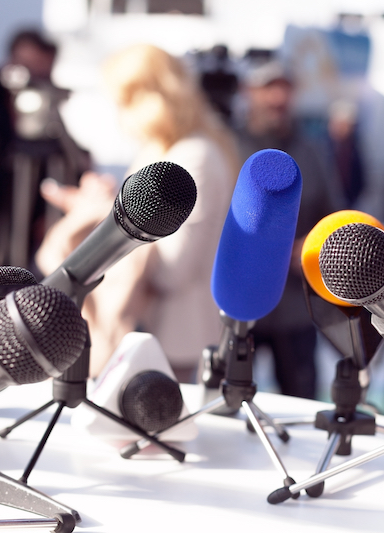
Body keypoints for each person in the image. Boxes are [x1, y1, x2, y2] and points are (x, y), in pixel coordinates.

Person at [35, 44, 239, 380]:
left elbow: (172, 270)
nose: (120, 116)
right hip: (155, 338)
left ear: (149, 99)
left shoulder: (193, 156)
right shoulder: (170, 149)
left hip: (175, 343)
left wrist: (103, 213)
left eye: (124, 103)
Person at [234, 56, 344, 399]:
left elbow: (334, 219)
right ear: (248, 91)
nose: (278, 98)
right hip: (240, 305)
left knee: (301, 406)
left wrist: (311, 247)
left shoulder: (312, 151)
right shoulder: (227, 147)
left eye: (285, 88)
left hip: (296, 308)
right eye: (269, 88)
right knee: (230, 409)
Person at [0, 29, 90, 276]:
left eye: (41, 69)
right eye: (26, 67)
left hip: (31, 223)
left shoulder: (50, 102)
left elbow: (74, 159)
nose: (33, 77)